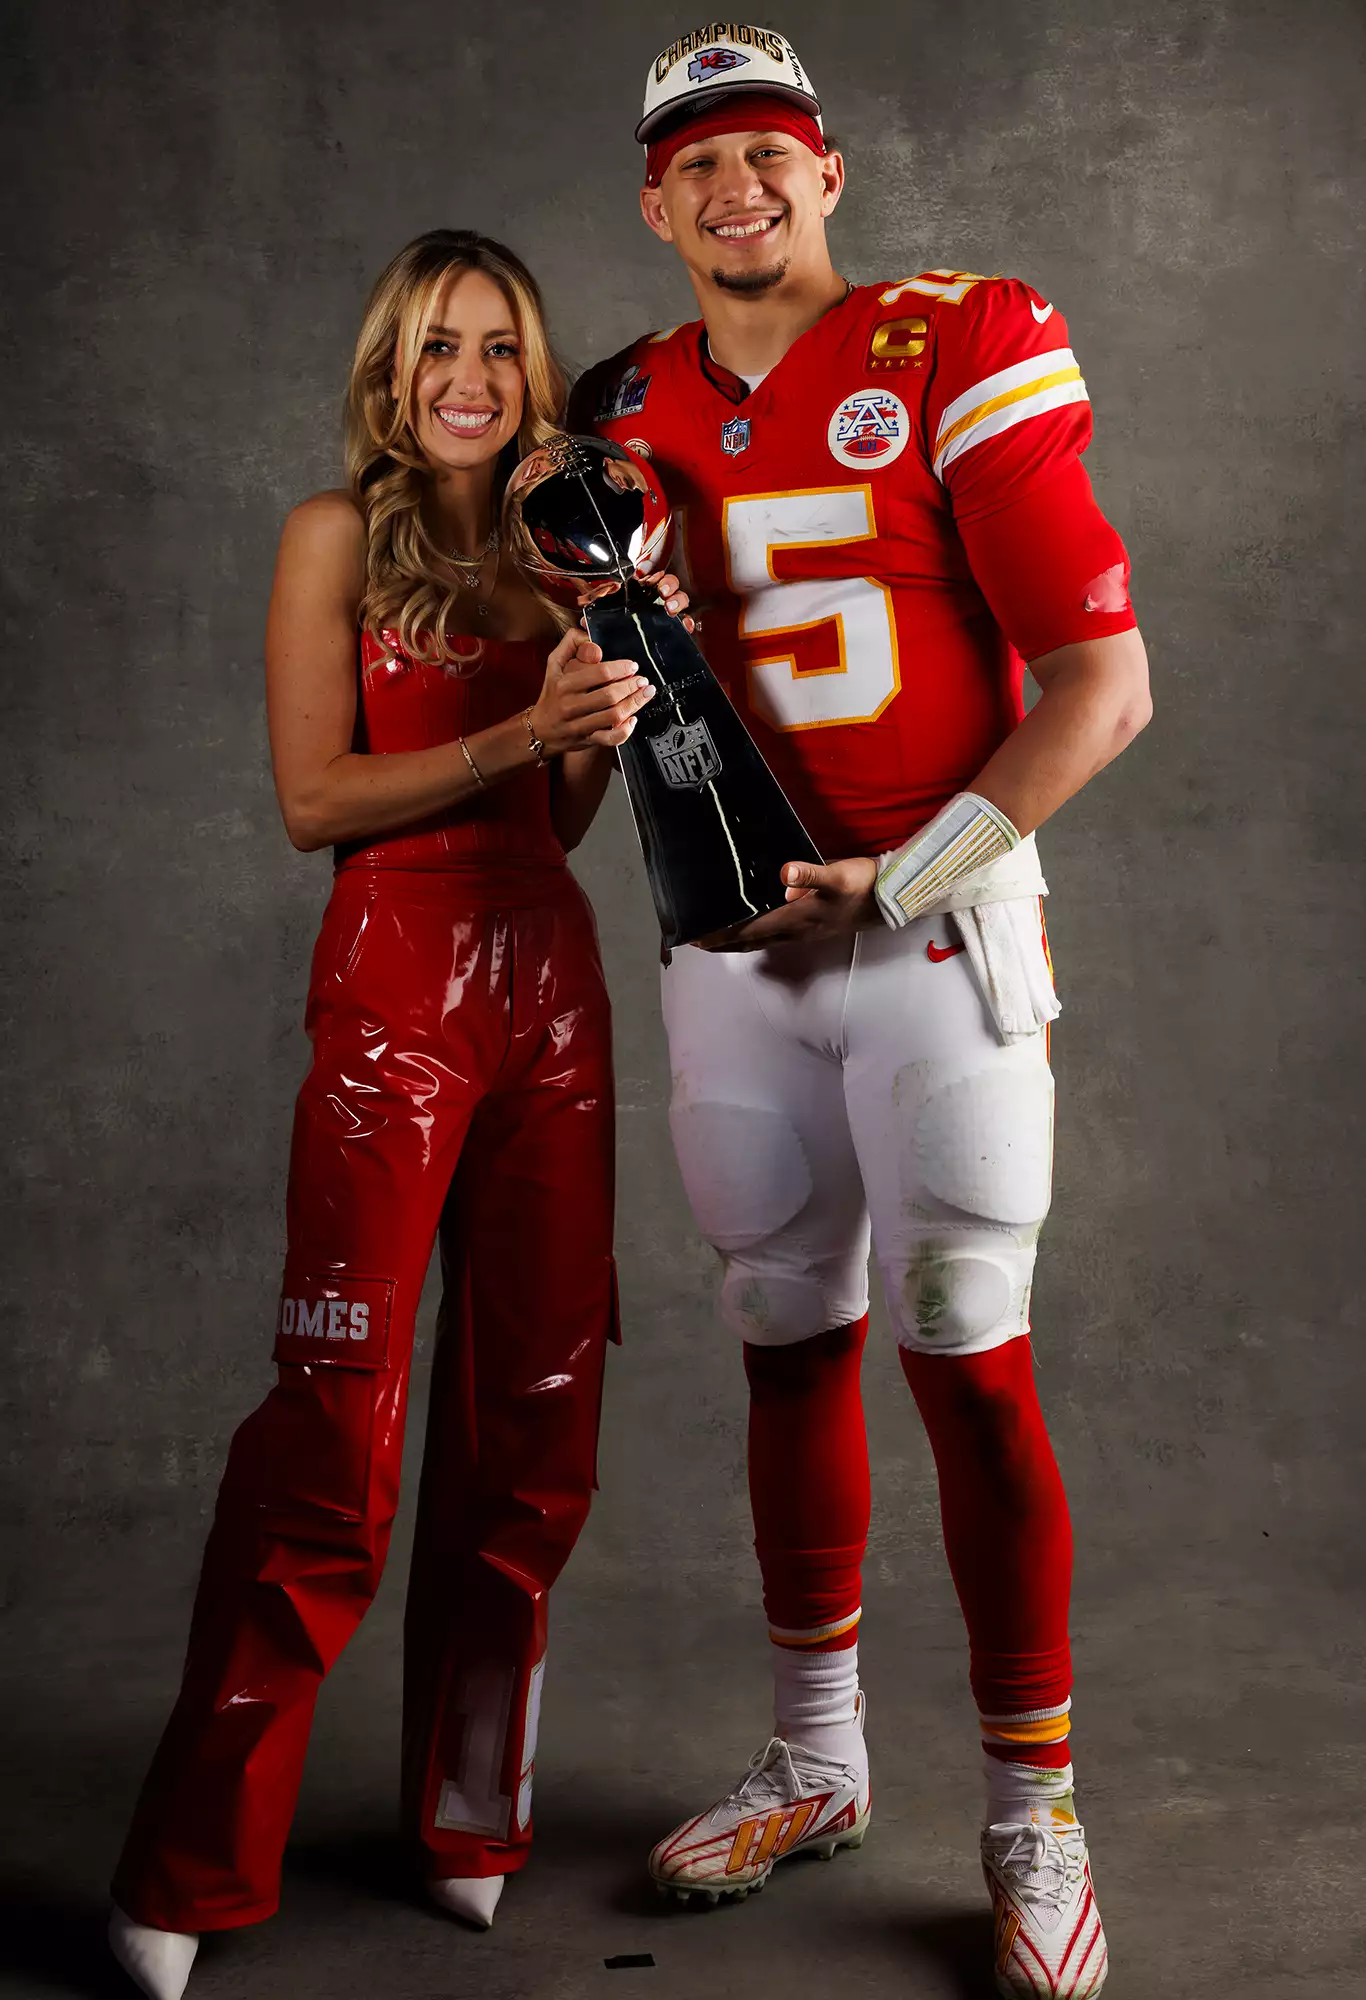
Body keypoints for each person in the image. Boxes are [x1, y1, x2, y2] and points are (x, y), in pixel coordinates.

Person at [570, 25, 1151, 1998]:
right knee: (780, 1342)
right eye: (690, 165)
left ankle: (1029, 1804)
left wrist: (894, 872)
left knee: (964, 1352)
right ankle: (817, 1760)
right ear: (650, 206)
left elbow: (1097, 682)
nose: (732, 186)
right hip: (736, 955)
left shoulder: (948, 339)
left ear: (827, 172)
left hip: (927, 935)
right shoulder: (620, 403)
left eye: (764, 152)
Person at [107, 228, 688, 2000]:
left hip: (550, 991)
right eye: (440, 345)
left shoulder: (557, 546)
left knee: (534, 1420)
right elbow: (310, 801)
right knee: (334, 1432)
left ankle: (467, 1820)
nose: (471, 378)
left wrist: (602, 677)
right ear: (390, 365)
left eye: (502, 349)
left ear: (532, 375)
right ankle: (193, 1864)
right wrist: (520, 740)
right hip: (391, 985)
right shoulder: (334, 537)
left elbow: (567, 823)